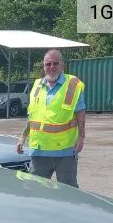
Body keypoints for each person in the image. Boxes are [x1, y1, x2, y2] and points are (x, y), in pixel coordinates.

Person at [16, 49, 86, 188]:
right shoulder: (36, 86)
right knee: (35, 191)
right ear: (43, 66)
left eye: (55, 63)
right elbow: (32, 117)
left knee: (68, 192)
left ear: (62, 65)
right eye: (48, 64)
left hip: (65, 151)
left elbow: (80, 112)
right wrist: (22, 138)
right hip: (39, 151)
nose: (52, 67)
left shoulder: (73, 85)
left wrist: (81, 137)